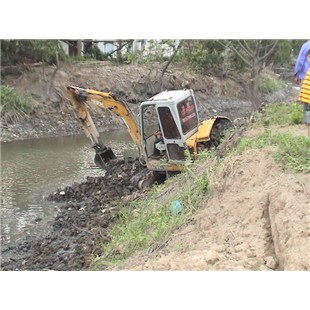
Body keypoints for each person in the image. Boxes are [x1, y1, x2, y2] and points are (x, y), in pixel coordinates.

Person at [295, 41, 310, 137]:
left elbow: (300, 61)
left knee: (306, 103)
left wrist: (296, 73)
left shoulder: (306, 45)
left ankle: (307, 122)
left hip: (305, 76)